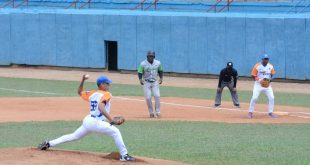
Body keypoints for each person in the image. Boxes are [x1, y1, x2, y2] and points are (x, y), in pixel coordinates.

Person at [38, 75, 135, 162]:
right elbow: (100, 107)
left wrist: (83, 80)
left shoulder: (92, 93)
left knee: (74, 136)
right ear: (101, 84)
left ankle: (49, 143)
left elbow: (79, 92)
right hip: (96, 122)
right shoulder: (107, 94)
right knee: (115, 132)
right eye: (107, 83)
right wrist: (111, 119)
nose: (109, 85)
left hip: (88, 121)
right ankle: (124, 155)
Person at [248, 54, 276, 118]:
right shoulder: (257, 66)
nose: (266, 60)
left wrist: (270, 80)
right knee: (254, 97)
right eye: (265, 59)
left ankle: (270, 113)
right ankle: (250, 112)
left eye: (267, 59)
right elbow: (253, 75)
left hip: (267, 85)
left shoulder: (270, 66)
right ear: (262, 59)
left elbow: (273, 75)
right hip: (258, 85)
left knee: (272, 97)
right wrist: (259, 80)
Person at [138, 51, 163, 118]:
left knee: (157, 96)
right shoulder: (143, 64)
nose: (150, 57)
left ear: (154, 57)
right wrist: (140, 79)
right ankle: (151, 112)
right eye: (149, 56)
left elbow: (160, 70)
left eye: (152, 56)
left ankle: (158, 112)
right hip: (146, 82)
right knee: (148, 97)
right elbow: (140, 72)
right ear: (147, 57)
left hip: (155, 82)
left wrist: (161, 78)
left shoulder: (158, 63)